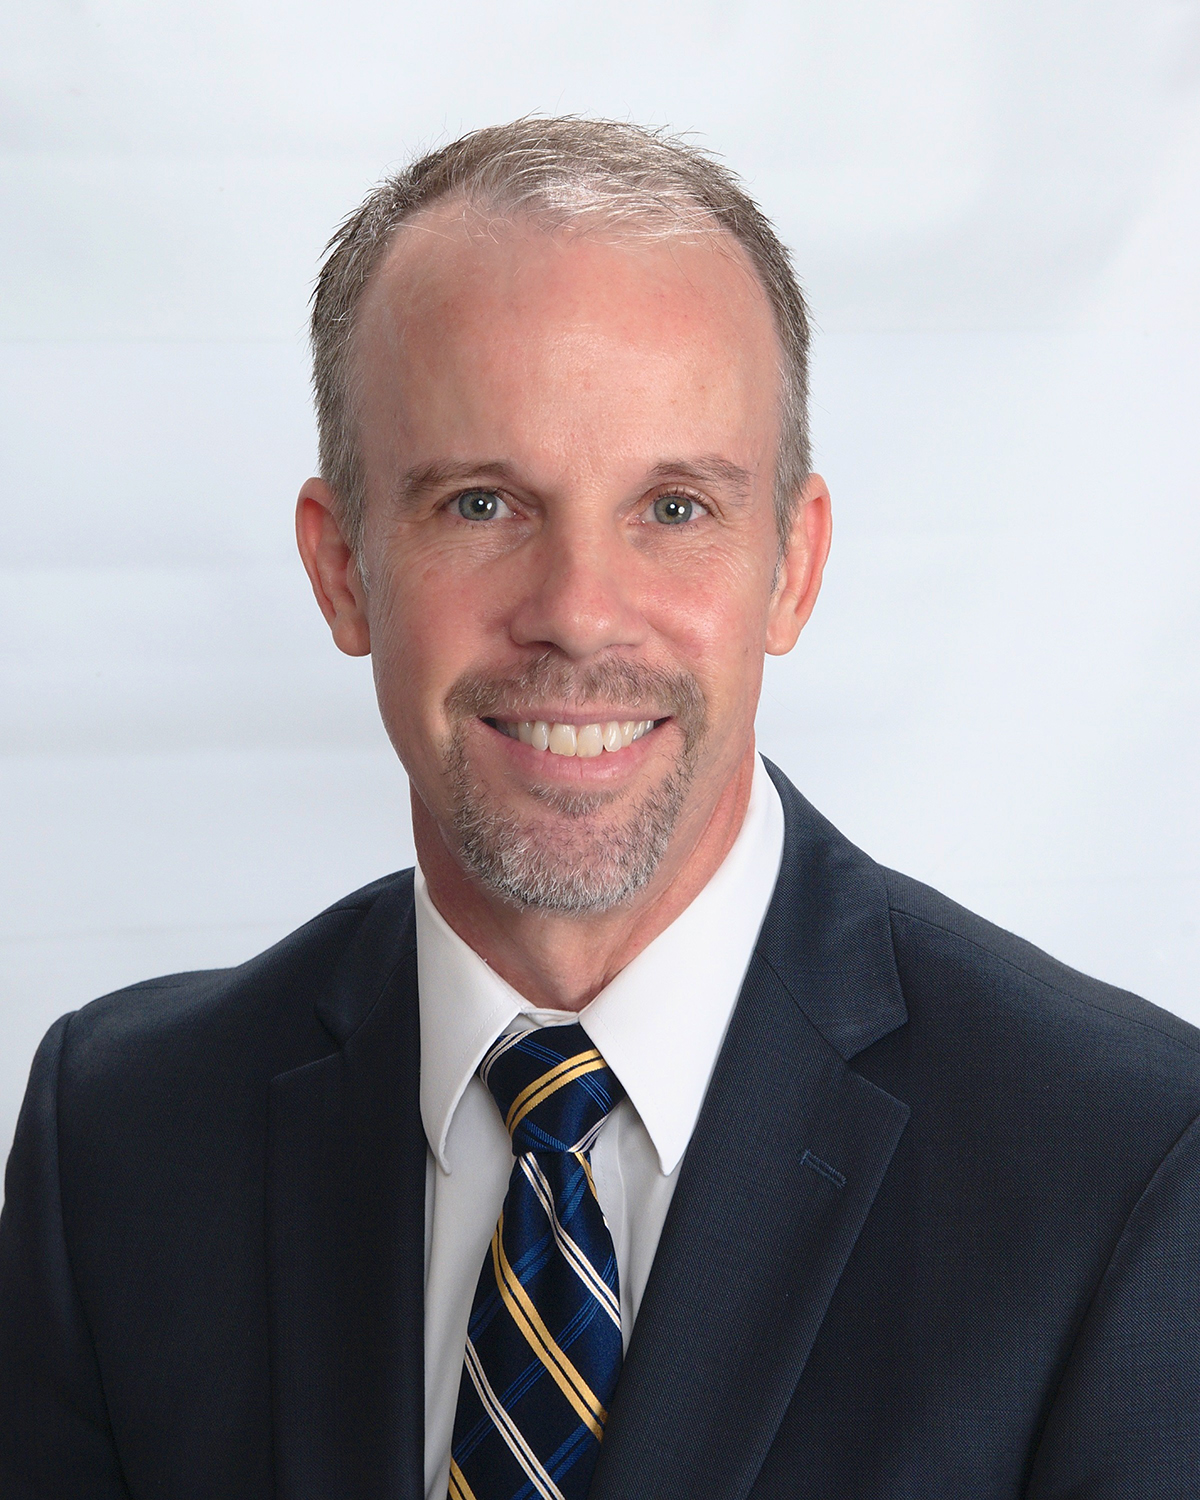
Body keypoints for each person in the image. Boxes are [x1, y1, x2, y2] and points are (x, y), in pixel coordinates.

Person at [1, 117, 1197, 1500]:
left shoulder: (1124, 1171)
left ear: (792, 568)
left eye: (674, 509)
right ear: (341, 570)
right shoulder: (122, 1143)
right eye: (482, 504)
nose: (576, 611)